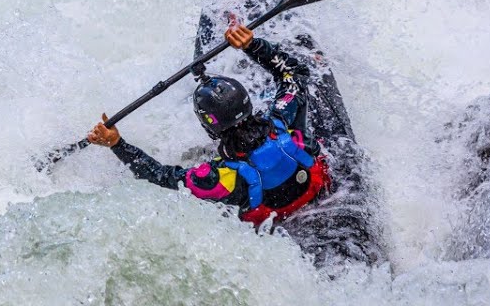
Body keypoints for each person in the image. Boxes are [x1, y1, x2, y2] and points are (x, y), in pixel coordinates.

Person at [86, 22, 330, 224]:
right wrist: (252, 45)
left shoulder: (218, 177)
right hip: (320, 191)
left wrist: (117, 144)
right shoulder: (285, 117)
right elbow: (293, 74)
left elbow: (159, 175)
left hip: (279, 222)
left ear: (209, 125)